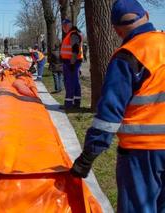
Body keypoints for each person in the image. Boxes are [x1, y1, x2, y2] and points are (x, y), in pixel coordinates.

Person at [70, 0, 165, 212]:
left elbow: (108, 116)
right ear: (147, 15)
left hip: (142, 153)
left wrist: (87, 157)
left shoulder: (129, 56)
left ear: (116, 29)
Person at [60, 19, 83, 109]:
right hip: (71, 62)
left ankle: (68, 104)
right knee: (75, 82)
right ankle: (77, 102)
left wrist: (72, 64)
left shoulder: (73, 34)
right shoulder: (72, 34)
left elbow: (75, 50)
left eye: (63, 26)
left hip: (71, 62)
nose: (63, 29)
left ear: (67, 26)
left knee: (69, 83)